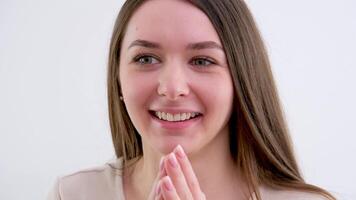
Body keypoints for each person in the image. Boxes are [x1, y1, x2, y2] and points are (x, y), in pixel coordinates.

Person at [48, 0, 336, 199]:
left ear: (242, 80)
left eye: (202, 60)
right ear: (117, 78)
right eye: (146, 58)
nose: (172, 88)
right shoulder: (72, 194)